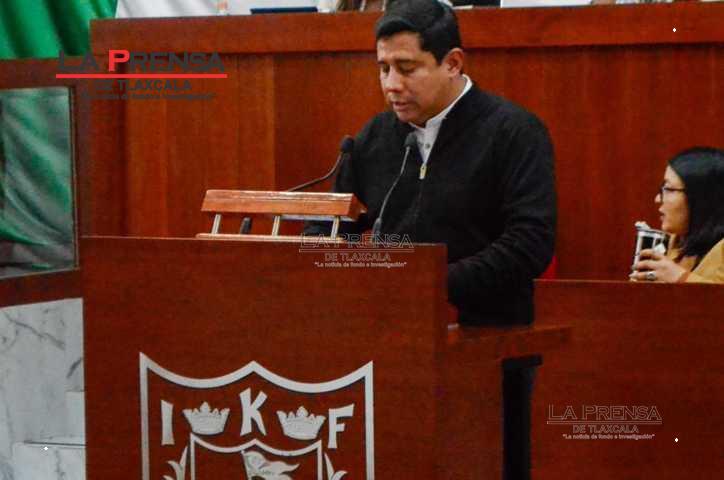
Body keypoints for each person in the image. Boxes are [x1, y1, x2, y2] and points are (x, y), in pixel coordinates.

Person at [307, 0, 557, 327]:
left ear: (452, 63)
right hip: (387, 327)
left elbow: (529, 244)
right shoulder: (374, 136)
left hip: (486, 332)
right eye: (384, 68)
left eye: (406, 68)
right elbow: (329, 228)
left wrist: (429, 283)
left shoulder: (514, 132)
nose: (391, 84)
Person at [631, 147, 724, 284]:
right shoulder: (674, 242)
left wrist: (681, 278)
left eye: (669, 189)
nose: (658, 199)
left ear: (701, 198)